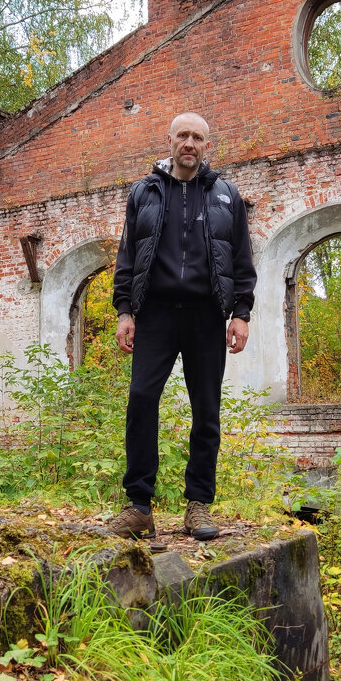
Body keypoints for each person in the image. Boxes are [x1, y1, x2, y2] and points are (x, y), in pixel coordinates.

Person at [108, 112, 257, 541]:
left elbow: (242, 260)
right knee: (140, 401)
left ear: (207, 145)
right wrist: (124, 311)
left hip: (206, 315)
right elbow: (127, 258)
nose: (189, 143)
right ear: (169, 140)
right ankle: (139, 506)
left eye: (197, 137)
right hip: (153, 313)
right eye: (182, 135)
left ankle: (198, 505)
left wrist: (241, 313)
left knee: (206, 409)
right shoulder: (144, 192)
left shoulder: (226, 195)